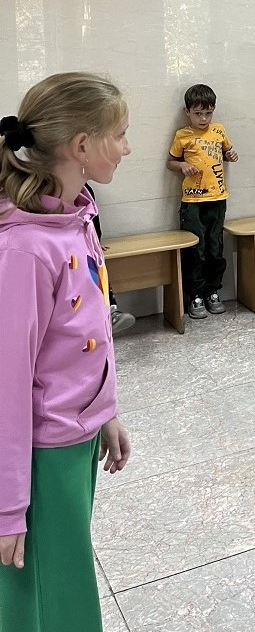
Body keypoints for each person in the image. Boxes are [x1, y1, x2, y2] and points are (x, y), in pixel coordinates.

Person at [0, 72, 132, 630]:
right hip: (39, 456)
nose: (127, 147)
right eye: (119, 134)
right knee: (45, 594)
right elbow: (6, 385)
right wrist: (8, 507)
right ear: (81, 145)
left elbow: (90, 332)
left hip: (74, 440)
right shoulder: (26, 249)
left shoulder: (77, 216)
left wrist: (106, 413)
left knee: (62, 576)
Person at [167, 84, 238, 319]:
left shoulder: (219, 131)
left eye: (208, 113)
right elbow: (170, 162)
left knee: (215, 248)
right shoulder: (182, 136)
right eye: (198, 113)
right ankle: (195, 295)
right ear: (187, 112)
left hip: (218, 198)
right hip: (193, 201)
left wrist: (231, 155)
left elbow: (227, 153)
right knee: (195, 249)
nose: (204, 118)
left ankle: (212, 292)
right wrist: (182, 165)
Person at [85, 183, 136, 335]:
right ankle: (105, 314)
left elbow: (94, 222)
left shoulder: (85, 190)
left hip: (89, 247)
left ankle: (110, 312)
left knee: (97, 267)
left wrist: (96, 242)